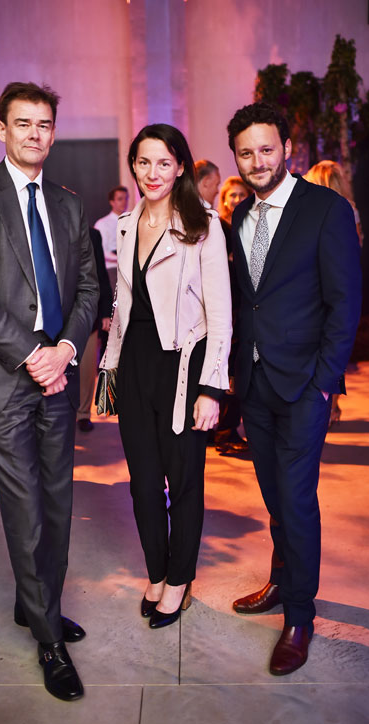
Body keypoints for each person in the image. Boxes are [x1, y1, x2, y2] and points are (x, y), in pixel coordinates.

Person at [0, 82, 99, 702]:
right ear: (1, 128)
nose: (35, 133)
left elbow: (89, 289)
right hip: (1, 375)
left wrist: (63, 351)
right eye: (23, 123)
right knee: (27, 505)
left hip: (57, 374)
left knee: (57, 501)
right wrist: (32, 353)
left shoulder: (67, 202)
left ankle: (37, 606)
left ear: (53, 133)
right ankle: (48, 638)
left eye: (45, 124)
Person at [226, 102, 361, 675]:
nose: (257, 161)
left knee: (298, 501)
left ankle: (300, 617)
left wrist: (324, 385)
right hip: (253, 384)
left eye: (266, 149)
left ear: (288, 149)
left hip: (305, 385)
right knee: (274, 496)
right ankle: (282, 583)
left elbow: (344, 304)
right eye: (246, 152)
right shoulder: (237, 219)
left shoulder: (326, 210)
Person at [103, 124, 232, 629]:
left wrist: (211, 388)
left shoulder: (202, 223)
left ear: (180, 166)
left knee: (184, 483)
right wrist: (109, 370)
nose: (152, 172)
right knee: (140, 483)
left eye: (163, 162)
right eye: (143, 162)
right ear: (133, 166)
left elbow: (221, 313)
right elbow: (126, 300)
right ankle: (156, 571)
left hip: (183, 366)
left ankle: (179, 580)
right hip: (134, 365)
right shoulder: (127, 222)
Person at [304, 160, 362, 427]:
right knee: (334, 346)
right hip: (337, 288)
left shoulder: (306, 208)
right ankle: (332, 404)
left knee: (314, 348)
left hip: (312, 290)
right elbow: (356, 247)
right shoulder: (349, 209)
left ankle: (318, 402)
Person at [213, 176, 252, 454]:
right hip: (226, 306)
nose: (237, 199)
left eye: (241, 194)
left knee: (239, 371)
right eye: (232, 195)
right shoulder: (219, 228)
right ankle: (224, 432)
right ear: (224, 199)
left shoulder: (251, 225)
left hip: (247, 305)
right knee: (226, 371)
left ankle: (229, 429)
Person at [76, 227, 113, 432]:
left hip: (87, 312)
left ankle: (83, 414)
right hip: (55, 314)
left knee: (87, 367)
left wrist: (106, 311)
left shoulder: (92, 234)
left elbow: (100, 273)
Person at [94, 186, 129, 291]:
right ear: (112, 202)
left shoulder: (131, 221)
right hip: (113, 269)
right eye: (120, 199)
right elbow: (102, 251)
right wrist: (121, 259)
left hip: (129, 269)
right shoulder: (103, 224)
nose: (124, 202)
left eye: (126, 198)